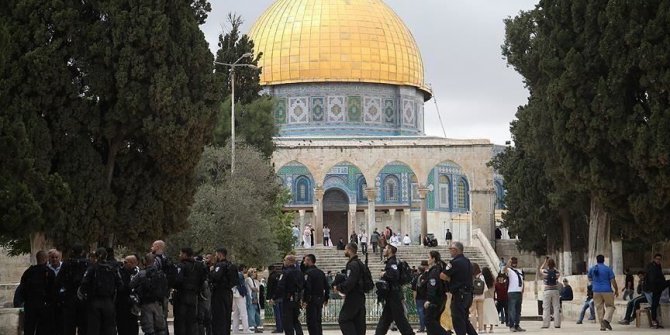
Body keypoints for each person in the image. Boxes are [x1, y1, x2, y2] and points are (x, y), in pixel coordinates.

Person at [80, 247, 123, 335]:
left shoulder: (92, 268)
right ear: (106, 256)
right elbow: (120, 285)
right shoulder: (112, 269)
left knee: (93, 328)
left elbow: (84, 283)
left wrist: (85, 295)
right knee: (109, 327)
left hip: (94, 301)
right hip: (108, 301)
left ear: (96, 256)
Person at [375, 244, 414, 335]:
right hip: (391, 295)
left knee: (400, 319)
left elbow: (394, 276)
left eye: (385, 248)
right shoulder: (391, 261)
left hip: (394, 295)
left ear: (390, 250)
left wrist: (384, 274)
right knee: (385, 319)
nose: (384, 250)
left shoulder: (392, 262)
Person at [439, 241, 478, 335]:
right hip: (468, 295)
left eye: (450, 249)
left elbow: (442, 275)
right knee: (464, 320)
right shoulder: (467, 261)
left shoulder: (455, 262)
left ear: (455, 250)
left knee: (458, 320)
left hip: (459, 295)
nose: (449, 251)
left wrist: (450, 279)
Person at [130, 253, 168, 335]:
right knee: (160, 329)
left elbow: (131, 285)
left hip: (146, 304)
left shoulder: (141, 274)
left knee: (148, 329)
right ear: (154, 261)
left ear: (145, 261)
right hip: (159, 304)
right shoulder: (161, 274)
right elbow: (165, 288)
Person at [173, 247, 208, 335]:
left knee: (180, 321)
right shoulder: (199, 265)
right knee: (191, 321)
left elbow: (178, 280)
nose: (179, 255)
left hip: (182, 296)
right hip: (193, 296)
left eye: (180, 253)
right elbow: (203, 279)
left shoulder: (181, 265)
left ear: (185, 254)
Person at [56, 244, 89, 335]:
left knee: (69, 326)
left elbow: (58, 280)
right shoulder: (87, 263)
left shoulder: (67, 263)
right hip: (83, 298)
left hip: (69, 296)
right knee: (83, 325)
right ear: (82, 252)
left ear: (72, 252)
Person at [21, 250, 55, 335]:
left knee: (29, 328)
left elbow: (22, 288)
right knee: (43, 329)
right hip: (44, 305)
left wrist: (26, 300)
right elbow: (53, 290)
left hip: (30, 304)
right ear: (46, 259)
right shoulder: (49, 272)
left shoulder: (28, 272)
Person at [335, 242, 366, 335]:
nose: (344, 251)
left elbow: (350, 282)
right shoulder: (360, 263)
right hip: (360, 296)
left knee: (344, 319)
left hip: (353, 296)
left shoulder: (352, 265)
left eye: (345, 249)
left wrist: (339, 287)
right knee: (358, 323)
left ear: (349, 250)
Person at [274, 254, 304, 335]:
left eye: (284, 260)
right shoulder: (299, 272)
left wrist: (275, 297)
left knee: (287, 321)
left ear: (289, 261)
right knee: (295, 320)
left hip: (287, 299)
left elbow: (281, 286)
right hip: (296, 299)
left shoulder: (285, 272)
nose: (283, 262)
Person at [588, 254, 618, 331]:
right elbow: (613, 281)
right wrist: (616, 290)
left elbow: (589, 279)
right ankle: (606, 320)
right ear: (604, 260)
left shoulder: (592, 269)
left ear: (596, 260)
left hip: (596, 291)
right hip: (607, 290)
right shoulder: (608, 269)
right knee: (610, 306)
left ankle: (602, 326)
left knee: (599, 308)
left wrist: (595, 283)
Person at [210, 248, 236, 335]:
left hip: (219, 293)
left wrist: (211, 271)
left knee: (218, 316)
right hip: (228, 293)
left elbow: (215, 277)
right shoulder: (230, 265)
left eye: (216, 254)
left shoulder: (220, 265)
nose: (215, 256)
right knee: (227, 316)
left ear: (220, 255)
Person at [302, 254, 329, 335]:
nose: (304, 262)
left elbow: (307, 288)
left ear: (309, 261)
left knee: (311, 321)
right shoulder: (321, 272)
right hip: (320, 299)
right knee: (318, 321)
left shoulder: (308, 273)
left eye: (305, 260)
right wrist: (326, 298)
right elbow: (326, 286)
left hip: (311, 300)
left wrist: (305, 300)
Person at [423, 251, 447, 335]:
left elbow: (432, 287)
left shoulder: (434, 271)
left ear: (433, 259)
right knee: (435, 322)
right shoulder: (439, 268)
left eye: (428, 257)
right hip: (441, 299)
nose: (427, 260)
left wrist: (429, 300)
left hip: (434, 300)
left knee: (428, 321)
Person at [117, 255, 140, 335]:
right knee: (122, 326)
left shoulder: (137, 272)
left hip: (133, 304)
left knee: (133, 325)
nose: (124, 264)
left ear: (132, 263)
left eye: (126, 262)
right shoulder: (120, 271)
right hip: (122, 303)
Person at [644, 253, 668, 329]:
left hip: (657, 288)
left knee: (656, 305)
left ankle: (657, 321)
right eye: (657, 259)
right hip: (652, 289)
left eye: (659, 259)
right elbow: (652, 279)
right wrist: (662, 283)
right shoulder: (651, 267)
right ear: (654, 259)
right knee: (654, 306)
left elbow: (660, 276)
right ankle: (654, 321)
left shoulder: (658, 266)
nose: (658, 261)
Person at [502, 256, 525, 332]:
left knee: (518, 310)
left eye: (515, 262)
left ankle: (517, 325)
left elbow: (522, 281)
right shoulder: (509, 270)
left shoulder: (520, 271)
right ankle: (511, 325)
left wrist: (522, 291)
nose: (514, 263)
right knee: (512, 310)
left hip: (519, 292)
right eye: (513, 262)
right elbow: (503, 270)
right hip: (512, 292)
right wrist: (508, 263)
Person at [540, 258, 561, 329]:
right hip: (555, 290)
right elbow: (559, 273)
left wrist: (545, 262)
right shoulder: (556, 272)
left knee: (546, 308)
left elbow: (541, 269)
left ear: (548, 264)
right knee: (556, 307)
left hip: (547, 291)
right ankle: (557, 324)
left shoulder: (545, 271)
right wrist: (554, 267)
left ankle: (546, 324)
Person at [412, 261, 429, 333]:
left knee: (421, 312)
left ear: (419, 270)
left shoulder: (416, 278)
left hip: (419, 297)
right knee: (427, 313)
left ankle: (422, 327)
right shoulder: (427, 276)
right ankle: (428, 327)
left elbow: (414, 290)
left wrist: (414, 298)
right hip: (427, 297)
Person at [233, 265, 250, 334]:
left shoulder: (234, 275)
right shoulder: (240, 275)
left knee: (235, 313)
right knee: (243, 313)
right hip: (240, 294)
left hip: (235, 294)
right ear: (243, 268)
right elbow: (242, 285)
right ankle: (246, 329)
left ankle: (235, 329)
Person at [267, 265, 283, 333]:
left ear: (270, 270)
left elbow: (269, 288)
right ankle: (283, 327)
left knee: (277, 314)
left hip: (274, 297)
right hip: (281, 296)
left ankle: (279, 328)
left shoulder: (271, 277)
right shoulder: (280, 275)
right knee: (282, 313)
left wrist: (269, 298)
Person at [246, 268, 263, 333]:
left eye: (255, 272)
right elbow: (253, 289)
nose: (254, 273)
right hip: (251, 298)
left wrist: (255, 289)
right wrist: (255, 289)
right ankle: (252, 327)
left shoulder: (256, 281)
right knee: (251, 313)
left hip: (256, 298)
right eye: (253, 272)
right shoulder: (248, 279)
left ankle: (256, 327)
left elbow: (257, 289)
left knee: (257, 314)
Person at [470, 263, 485, 333]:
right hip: (481, 296)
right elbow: (485, 287)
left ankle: (474, 328)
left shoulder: (470, 276)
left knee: (473, 313)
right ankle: (481, 329)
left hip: (473, 296)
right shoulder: (481, 276)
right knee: (480, 313)